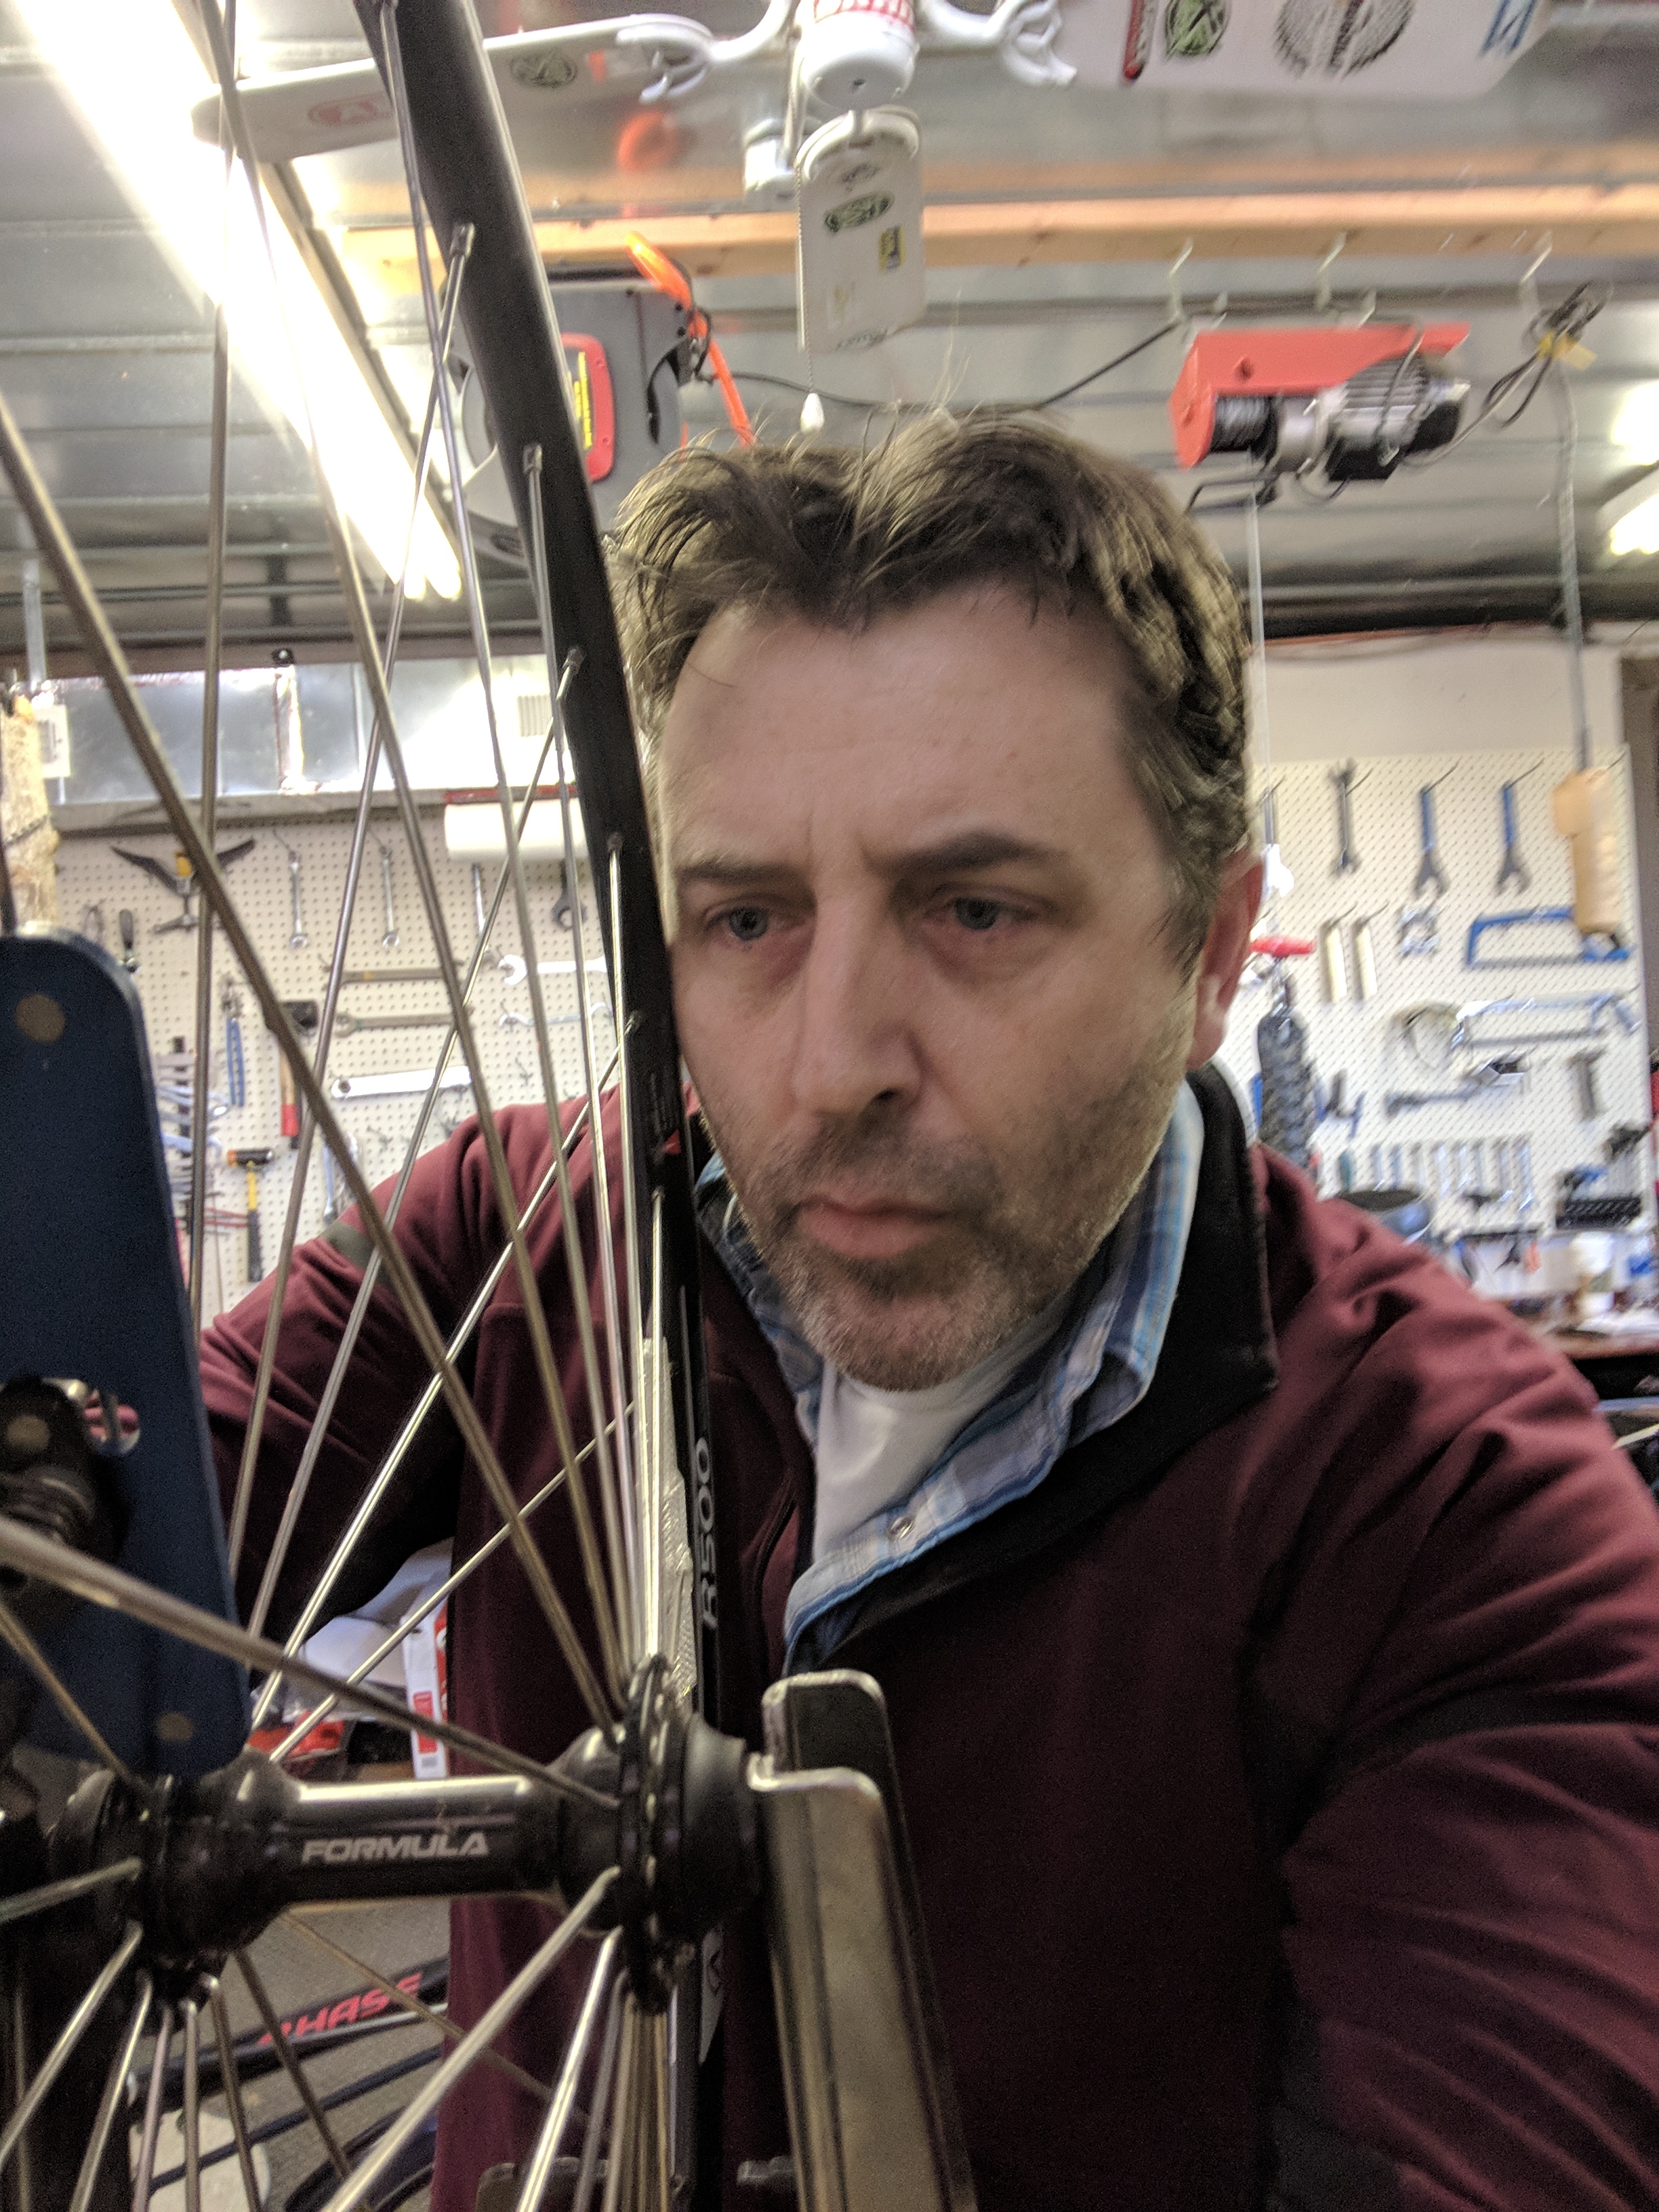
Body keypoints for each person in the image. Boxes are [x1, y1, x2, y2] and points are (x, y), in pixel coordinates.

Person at [201, 415, 1659, 2212]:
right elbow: (117, 1546)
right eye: (746, 920)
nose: (832, 1066)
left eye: (974, 909)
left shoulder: (1456, 1509)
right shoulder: (514, 1247)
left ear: (1212, 955)